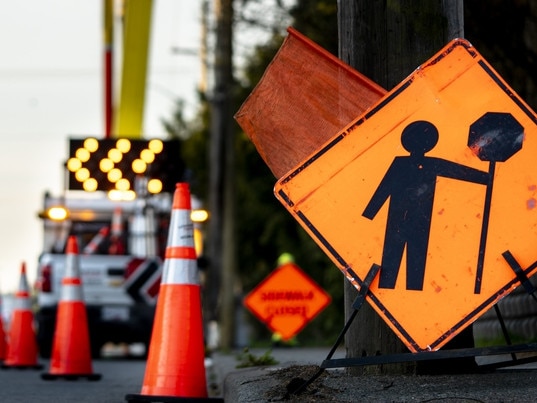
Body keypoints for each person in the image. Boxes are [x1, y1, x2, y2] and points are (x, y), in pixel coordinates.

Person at [362, 120, 489, 290]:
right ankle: (388, 289)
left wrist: (486, 178)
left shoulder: (430, 163)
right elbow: (384, 188)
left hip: (420, 220)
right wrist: (369, 214)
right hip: (398, 220)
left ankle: (412, 291)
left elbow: (457, 171)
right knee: (391, 262)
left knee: (416, 261)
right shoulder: (401, 163)